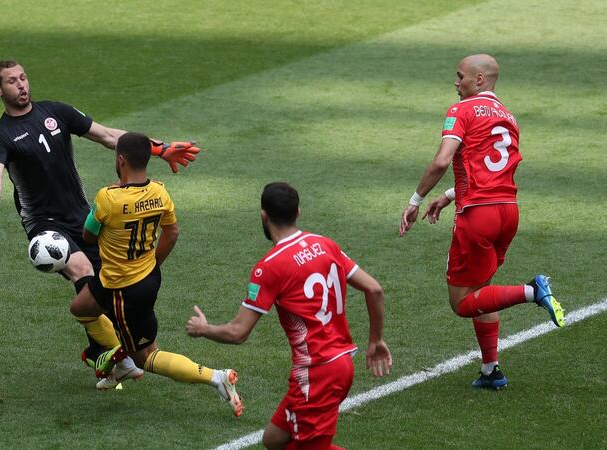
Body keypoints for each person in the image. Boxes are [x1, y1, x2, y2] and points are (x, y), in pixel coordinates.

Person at [0, 60, 201, 374]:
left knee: (107, 282)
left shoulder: (56, 112)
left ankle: (104, 352)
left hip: (81, 215)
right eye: (11, 82)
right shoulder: (1, 135)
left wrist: (159, 149)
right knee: (82, 269)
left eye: (23, 78)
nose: (21, 85)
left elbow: (108, 136)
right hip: (44, 225)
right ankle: (111, 353)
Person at [398, 53, 565, 389]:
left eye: (460, 76)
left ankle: (533, 291)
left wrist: (415, 200)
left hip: (479, 216)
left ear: (479, 80)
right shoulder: (509, 116)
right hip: (508, 213)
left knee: (461, 302)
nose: (455, 83)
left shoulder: (462, 110)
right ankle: (491, 371)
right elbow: (492, 169)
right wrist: (447, 195)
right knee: (480, 290)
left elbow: (442, 160)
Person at [187, 182, 392, 449]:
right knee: (274, 440)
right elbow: (374, 289)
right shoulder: (326, 244)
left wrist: (204, 329)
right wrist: (375, 340)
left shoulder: (270, 267)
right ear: (298, 212)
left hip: (316, 373)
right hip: (340, 364)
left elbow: (238, 333)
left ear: (264, 215)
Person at [69, 132, 243, 416]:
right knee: (81, 308)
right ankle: (121, 360)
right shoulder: (160, 192)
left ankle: (216, 377)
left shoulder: (107, 197)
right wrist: (153, 263)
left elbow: (87, 236)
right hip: (134, 279)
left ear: (121, 160)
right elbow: (172, 232)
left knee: (147, 356)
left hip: (123, 289)